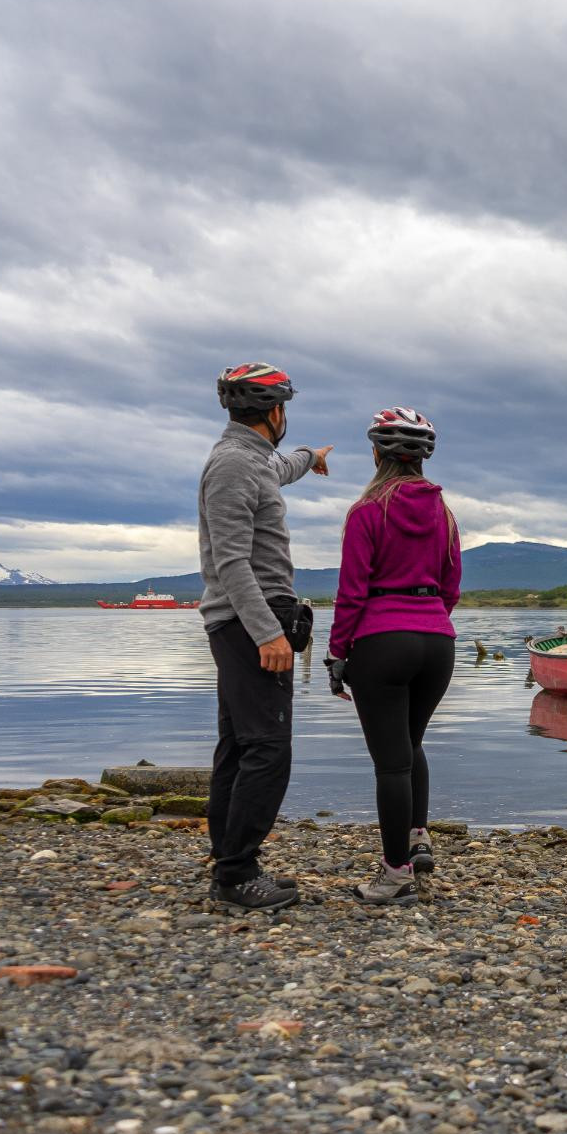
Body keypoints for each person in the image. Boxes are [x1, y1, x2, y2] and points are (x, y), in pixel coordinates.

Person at [199, 362, 333, 910]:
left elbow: (279, 468)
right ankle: (236, 875)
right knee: (268, 749)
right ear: (275, 411)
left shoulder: (250, 460)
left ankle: (229, 861)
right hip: (249, 622)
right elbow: (231, 562)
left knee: (238, 746)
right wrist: (267, 635)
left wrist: (311, 457)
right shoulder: (232, 466)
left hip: (247, 622)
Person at [326, 407, 461, 904]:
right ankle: (417, 836)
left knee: (390, 763)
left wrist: (339, 652)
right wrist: (428, 619)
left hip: (383, 641)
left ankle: (395, 875)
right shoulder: (444, 514)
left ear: (377, 451)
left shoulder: (367, 511)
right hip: (437, 641)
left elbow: (352, 592)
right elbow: (452, 588)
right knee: (411, 741)